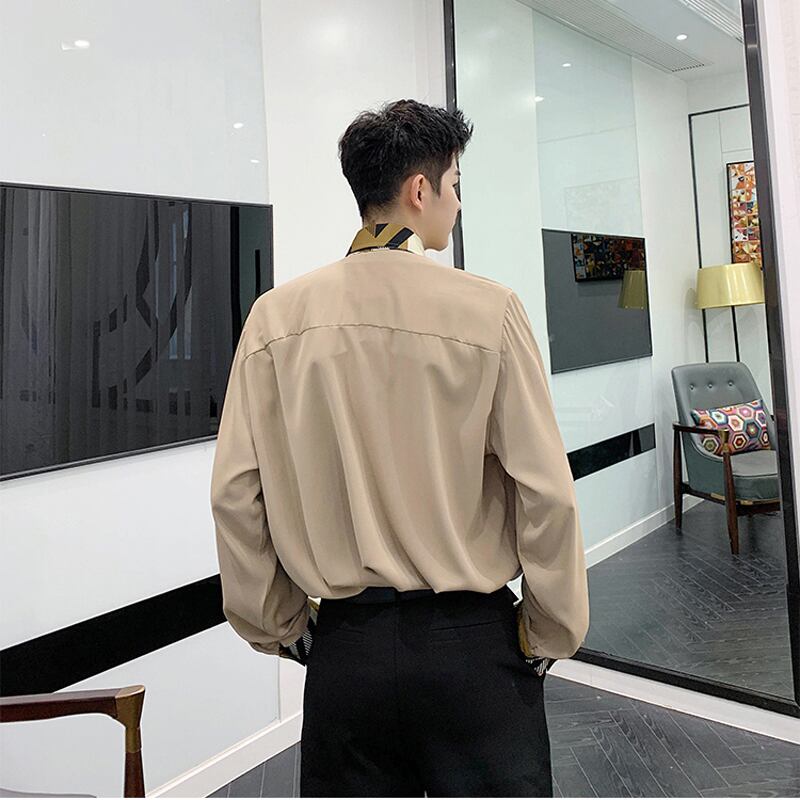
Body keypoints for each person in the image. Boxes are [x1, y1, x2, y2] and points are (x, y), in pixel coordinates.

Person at [210, 98, 589, 797]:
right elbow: (545, 492)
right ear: (420, 189)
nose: (457, 203)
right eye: (455, 185)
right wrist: (548, 632)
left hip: (345, 654)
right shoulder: (489, 310)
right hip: (473, 651)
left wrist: (282, 626)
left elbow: (236, 494)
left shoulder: (274, 320)